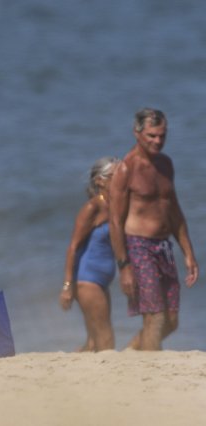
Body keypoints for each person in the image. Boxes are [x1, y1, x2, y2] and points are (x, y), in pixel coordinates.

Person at [109, 108, 199, 351]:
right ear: (137, 133)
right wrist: (124, 266)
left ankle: (131, 352)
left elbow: (175, 211)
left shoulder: (165, 164)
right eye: (151, 135)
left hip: (164, 246)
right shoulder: (126, 169)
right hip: (138, 245)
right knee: (154, 316)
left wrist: (188, 252)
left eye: (162, 135)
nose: (158, 141)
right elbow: (115, 221)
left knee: (171, 320)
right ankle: (148, 372)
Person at [61, 157, 120, 352]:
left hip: (101, 280)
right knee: (106, 339)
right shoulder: (92, 208)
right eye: (114, 176)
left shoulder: (115, 206)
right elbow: (73, 247)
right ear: (100, 181)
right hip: (87, 279)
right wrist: (67, 286)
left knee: (94, 342)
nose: (121, 179)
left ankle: (75, 374)